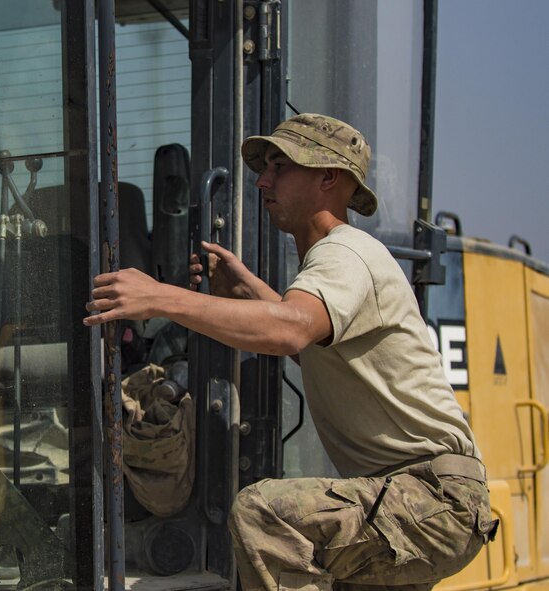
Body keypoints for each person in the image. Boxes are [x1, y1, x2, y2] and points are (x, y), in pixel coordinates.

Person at [84, 113, 497, 591]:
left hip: (431, 499)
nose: (263, 180)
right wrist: (245, 290)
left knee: (264, 514)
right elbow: (312, 346)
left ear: (328, 178)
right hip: (411, 502)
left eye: (281, 167)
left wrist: (158, 297)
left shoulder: (346, 253)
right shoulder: (334, 265)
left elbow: (291, 331)